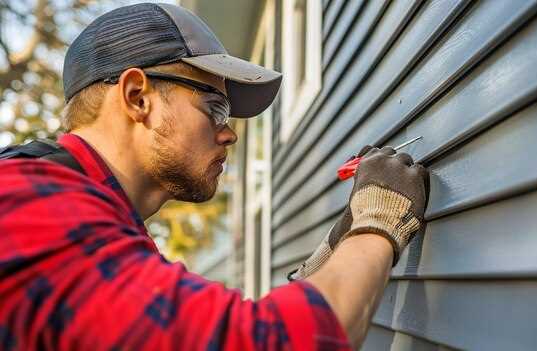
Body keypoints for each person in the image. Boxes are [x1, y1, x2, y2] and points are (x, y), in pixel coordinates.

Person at [0, 3, 428, 350]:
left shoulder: (91, 216)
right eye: (215, 109)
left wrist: (333, 262)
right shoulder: (35, 206)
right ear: (137, 97)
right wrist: (378, 222)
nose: (230, 133)